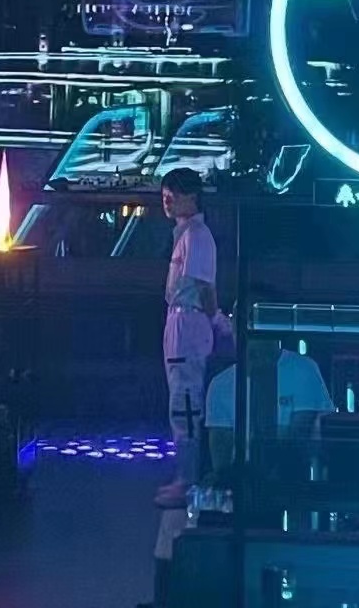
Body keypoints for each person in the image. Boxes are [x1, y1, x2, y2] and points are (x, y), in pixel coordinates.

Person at [156, 167, 220, 508]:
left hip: (189, 322)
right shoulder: (186, 235)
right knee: (180, 400)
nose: (167, 201)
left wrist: (216, 319)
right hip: (181, 320)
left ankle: (188, 480)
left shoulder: (197, 236)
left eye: (174, 195)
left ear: (191, 196)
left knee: (185, 402)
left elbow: (204, 287)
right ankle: (185, 477)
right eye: (165, 195)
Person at [204, 338, 334, 479]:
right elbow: (221, 445)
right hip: (241, 481)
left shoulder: (304, 369)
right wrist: (224, 481)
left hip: (293, 478)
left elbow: (299, 437)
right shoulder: (220, 384)